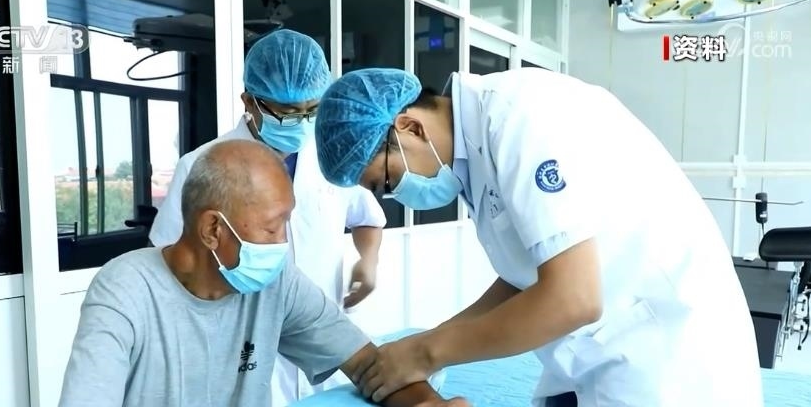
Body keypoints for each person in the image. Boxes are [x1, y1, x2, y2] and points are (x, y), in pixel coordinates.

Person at [312, 67, 763, 407]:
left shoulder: (517, 119)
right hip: (597, 350)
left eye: (387, 182)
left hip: (668, 357)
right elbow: (524, 277)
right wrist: (431, 341)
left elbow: (574, 298)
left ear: (410, 127)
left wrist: (429, 352)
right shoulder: (475, 156)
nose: (397, 195)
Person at [59, 140, 469, 407]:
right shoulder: (125, 291)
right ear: (213, 229)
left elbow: (368, 366)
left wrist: (428, 403)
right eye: (273, 228)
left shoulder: (276, 282)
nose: (283, 243)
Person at [148, 30, 387, 405]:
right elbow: (170, 259)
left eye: (311, 110)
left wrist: (368, 261)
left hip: (322, 336)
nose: (302, 122)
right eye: (287, 113)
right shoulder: (201, 166)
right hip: (242, 344)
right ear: (249, 101)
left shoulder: (329, 157)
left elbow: (367, 216)